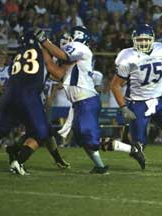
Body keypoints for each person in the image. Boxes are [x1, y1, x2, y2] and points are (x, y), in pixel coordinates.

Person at [0, 31, 62, 175]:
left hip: (10, 94)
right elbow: (57, 74)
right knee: (41, 133)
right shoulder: (40, 51)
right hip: (29, 95)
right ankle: (18, 162)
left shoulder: (17, 56)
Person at [110, 24, 162, 173]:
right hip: (138, 102)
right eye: (140, 40)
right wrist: (123, 107)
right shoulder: (127, 57)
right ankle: (128, 144)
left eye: (146, 40)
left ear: (153, 39)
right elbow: (116, 85)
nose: (143, 43)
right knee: (140, 142)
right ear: (134, 40)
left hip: (158, 100)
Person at [36, 26, 114, 174]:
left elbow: (63, 56)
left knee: (89, 136)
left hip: (86, 99)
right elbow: (56, 73)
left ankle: (129, 148)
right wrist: (44, 48)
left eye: (68, 37)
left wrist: (44, 41)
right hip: (80, 101)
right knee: (81, 137)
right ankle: (100, 166)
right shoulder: (74, 56)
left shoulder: (79, 47)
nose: (65, 41)